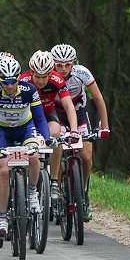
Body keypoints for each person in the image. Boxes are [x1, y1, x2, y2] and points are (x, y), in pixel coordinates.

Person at [0, 56, 52, 237]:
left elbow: (40, 119)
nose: (10, 86)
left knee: (34, 157)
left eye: (13, 81)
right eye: (5, 82)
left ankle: (33, 193)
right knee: (3, 171)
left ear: (19, 78)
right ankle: (2, 218)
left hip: (25, 129)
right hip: (1, 131)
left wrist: (48, 138)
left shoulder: (29, 89)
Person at [50, 43, 110, 221]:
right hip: (57, 112)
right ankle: (57, 194)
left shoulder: (82, 73)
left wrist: (104, 126)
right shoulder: (48, 75)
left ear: (73, 63)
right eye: (59, 64)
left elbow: (98, 99)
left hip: (79, 111)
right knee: (58, 147)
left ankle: (83, 192)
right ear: (53, 64)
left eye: (67, 64)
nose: (63, 68)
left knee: (86, 156)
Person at [19, 50, 79, 204]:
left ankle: (53, 180)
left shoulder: (57, 80)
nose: (40, 81)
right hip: (28, 117)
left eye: (44, 77)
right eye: (37, 77)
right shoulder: (23, 81)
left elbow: (68, 106)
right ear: (31, 72)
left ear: (50, 73)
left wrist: (74, 130)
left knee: (57, 134)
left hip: (47, 114)